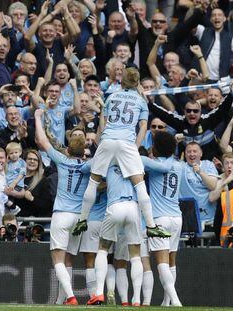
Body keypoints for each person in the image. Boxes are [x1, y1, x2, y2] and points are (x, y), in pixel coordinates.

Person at [73, 67, 170, 239]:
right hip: (126, 142)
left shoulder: (111, 97)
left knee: (93, 182)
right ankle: (151, 225)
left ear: (122, 81)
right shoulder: (141, 102)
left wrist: (101, 140)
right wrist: (135, 147)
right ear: (138, 82)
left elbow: (103, 120)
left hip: (108, 139)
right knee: (140, 185)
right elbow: (142, 127)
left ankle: (82, 220)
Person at [35, 108, 91, 305]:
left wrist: (37, 117)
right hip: (79, 218)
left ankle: (71, 296)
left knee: (57, 259)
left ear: (68, 149)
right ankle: (61, 300)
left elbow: (42, 141)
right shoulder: (88, 166)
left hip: (61, 215)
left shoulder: (62, 160)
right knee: (68, 260)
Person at [86, 164, 143, 306]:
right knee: (135, 255)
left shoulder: (107, 165)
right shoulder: (136, 163)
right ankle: (136, 299)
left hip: (115, 206)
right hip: (133, 208)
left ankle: (99, 293)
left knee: (103, 250)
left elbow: (90, 175)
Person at [142, 131, 183, 307]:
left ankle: (175, 300)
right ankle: (167, 302)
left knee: (162, 262)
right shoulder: (179, 165)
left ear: (156, 148)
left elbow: (141, 161)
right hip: (176, 217)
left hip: (160, 218)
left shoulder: (151, 164)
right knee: (172, 260)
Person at [13, 149, 56, 218]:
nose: (32, 161)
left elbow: (47, 206)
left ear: (39, 163)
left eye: (35, 160)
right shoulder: (14, 178)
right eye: (29, 159)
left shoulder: (43, 181)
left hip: (33, 221)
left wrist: (32, 198)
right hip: (14, 219)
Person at [4, 142, 26, 211]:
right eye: (11, 153)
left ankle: (14, 209)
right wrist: (6, 162)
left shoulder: (21, 162)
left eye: (16, 152)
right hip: (9, 184)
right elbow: (5, 172)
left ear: (20, 153)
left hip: (16, 185)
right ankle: (12, 208)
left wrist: (14, 183)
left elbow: (22, 174)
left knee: (3, 194)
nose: (14, 155)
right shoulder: (9, 163)